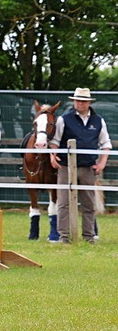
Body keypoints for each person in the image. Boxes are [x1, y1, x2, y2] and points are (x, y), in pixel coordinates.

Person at [49, 88, 111, 244]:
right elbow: (55, 141)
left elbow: (106, 144)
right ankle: (64, 237)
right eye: (77, 100)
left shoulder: (98, 121)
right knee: (63, 202)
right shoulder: (64, 119)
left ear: (89, 103)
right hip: (66, 167)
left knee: (88, 203)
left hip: (88, 167)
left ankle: (89, 236)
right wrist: (53, 156)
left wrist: (102, 162)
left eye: (83, 101)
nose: (79, 103)